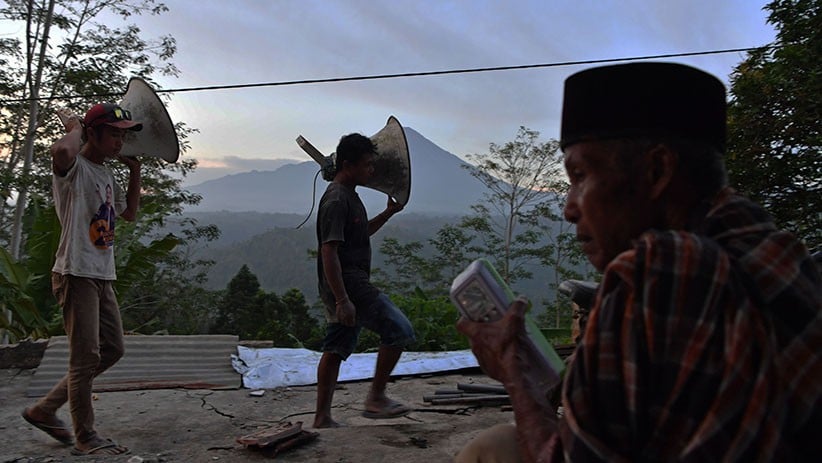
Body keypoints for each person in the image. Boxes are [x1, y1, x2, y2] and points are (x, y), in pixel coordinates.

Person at [454, 62, 822, 462]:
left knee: (488, 450)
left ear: (657, 170)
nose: (569, 208)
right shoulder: (780, 251)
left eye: (580, 175)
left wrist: (515, 372)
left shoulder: (660, 273)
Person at [21, 103, 143, 456]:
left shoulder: (106, 175)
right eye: (114, 134)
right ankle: (85, 435)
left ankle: (44, 410)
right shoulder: (73, 169)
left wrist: (134, 172)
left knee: (113, 350)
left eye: (124, 135)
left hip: (102, 273)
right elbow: (61, 149)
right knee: (85, 357)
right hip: (75, 272)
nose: (120, 141)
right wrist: (74, 124)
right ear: (93, 134)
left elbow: (130, 213)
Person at [312, 133, 416, 428]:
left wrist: (387, 213)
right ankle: (376, 398)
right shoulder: (336, 200)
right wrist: (342, 300)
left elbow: (358, 235)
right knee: (399, 330)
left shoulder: (349, 196)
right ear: (348, 164)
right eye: (368, 165)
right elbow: (329, 251)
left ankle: (322, 417)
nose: (372, 171)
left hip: (347, 286)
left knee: (335, 348)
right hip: (350, 285)